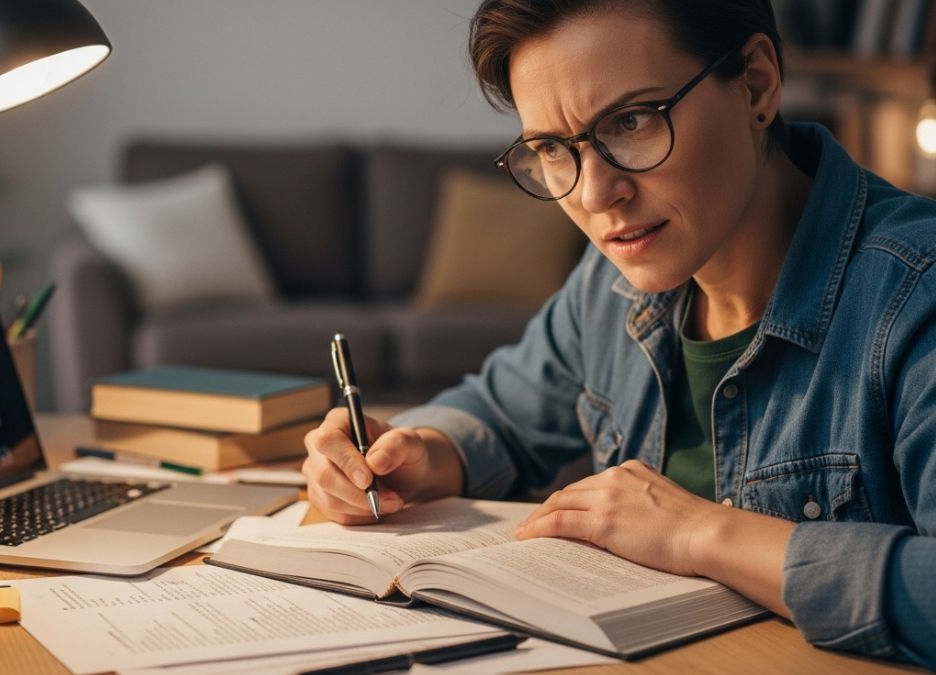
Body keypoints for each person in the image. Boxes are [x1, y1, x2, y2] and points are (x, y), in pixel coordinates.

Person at [301, 0, 935, 667]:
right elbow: (496, 410)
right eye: (551, 148)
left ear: (755, 83)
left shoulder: (914, 292)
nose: (597, 195)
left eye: (631, 121)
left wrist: (702, 532)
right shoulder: (614, 285)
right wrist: (418, 451)